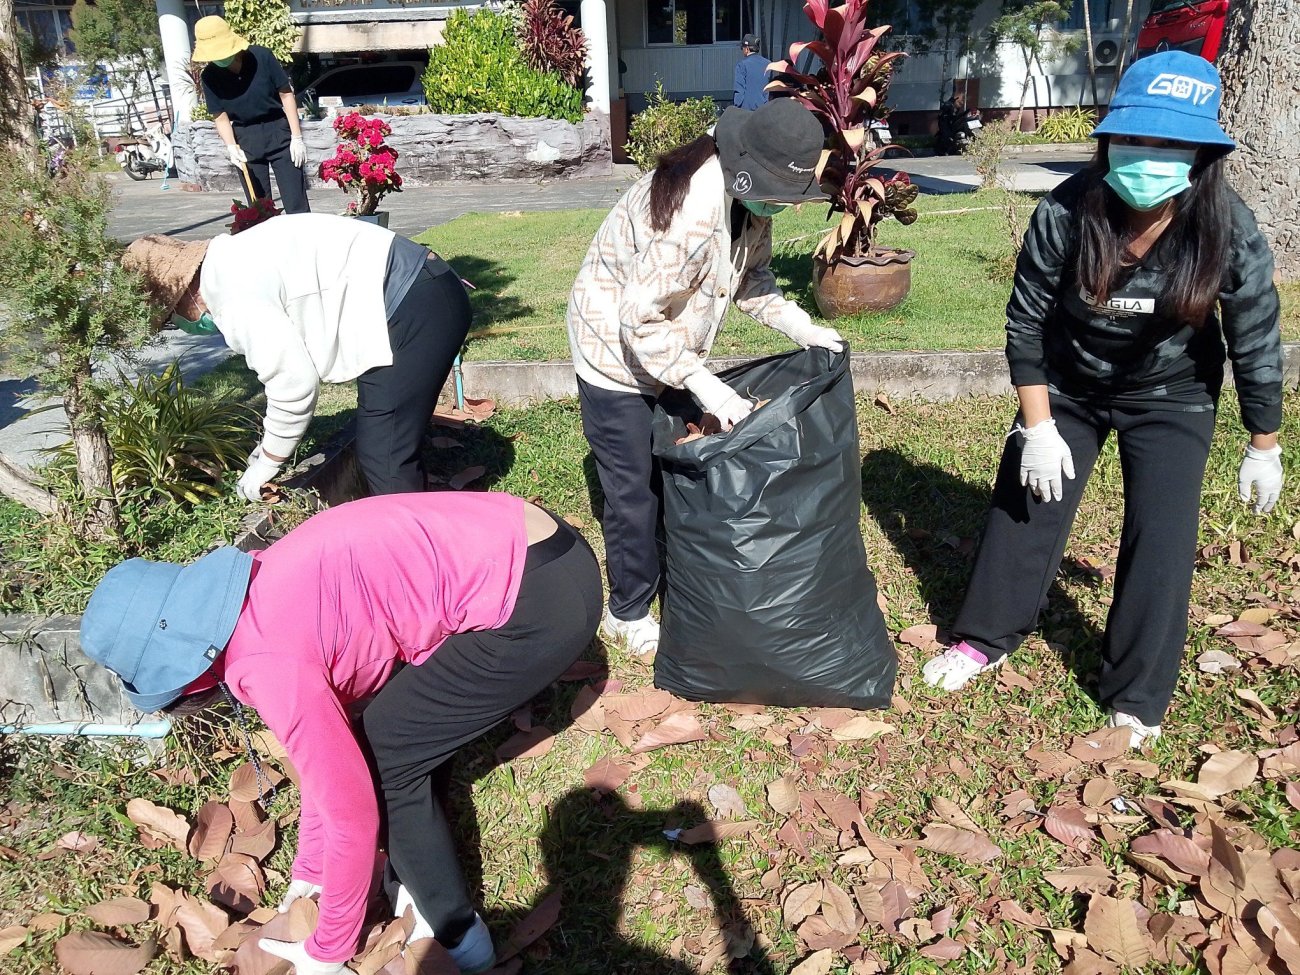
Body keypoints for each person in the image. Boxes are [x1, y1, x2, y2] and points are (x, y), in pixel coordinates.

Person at [919, 51, 1285, 748]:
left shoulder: (1227, 227)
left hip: (1171, 394)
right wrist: (1038, 426)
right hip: (1070, 381)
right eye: (1136, 137)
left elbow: (1256, 337)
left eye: (1170, 142)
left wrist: (1263, 441)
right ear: (1110, 138)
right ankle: (985, 637)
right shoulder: (1067, 209)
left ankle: (1137, 694)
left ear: (1202, 153)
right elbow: (1025, 321)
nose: (1149, 155)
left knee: (1162, 535)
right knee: (1026, 501)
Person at [79, 492, 602, 975]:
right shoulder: (254, 586)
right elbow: (326, 752)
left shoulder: (263, 664)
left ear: (186, 670)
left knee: (385, 763)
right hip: (543, 545)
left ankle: (460, 937)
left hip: (539, 606)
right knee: (387, 735)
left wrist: (330, 946)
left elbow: (350, 808)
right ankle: (409, 870)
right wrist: (311, 871)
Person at [567, 97, 841, 656]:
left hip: (669, 347)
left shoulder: (752, 203)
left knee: (674, 459)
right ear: (748, 166)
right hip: (613, 353)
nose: (782, 205)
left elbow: (753, 280)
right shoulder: (690, 211)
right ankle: (629, 609)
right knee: (631, 490)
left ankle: (677, 557)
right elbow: (637, 319)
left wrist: (803, 328)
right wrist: (709, 386)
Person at [122, 214, 472, 499]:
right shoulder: (230, 258)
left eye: (172, 317)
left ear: (184, 297)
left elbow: (294, 383)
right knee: (386, 436)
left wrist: (268, 462)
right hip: (420, 287)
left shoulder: (233, 298)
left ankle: (417, 562)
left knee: (384, 453)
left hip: (416, 302)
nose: (181, 325)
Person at [193, 15, 310, 214]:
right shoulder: (210, 76)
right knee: (259, 208)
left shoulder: (262, 57)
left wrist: (297, 137)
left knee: (295, 201)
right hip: (245, 138)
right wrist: (231, 147)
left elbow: (286, 95)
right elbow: (220, 117)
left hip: (278, 130)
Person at [733, 33, 770, 111]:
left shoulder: (742, 65)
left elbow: (739, 90)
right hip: (764, 109)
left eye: (742, 48)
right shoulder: (768, 64)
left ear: (747, 48)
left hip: (747, 110)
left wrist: (736, 107)